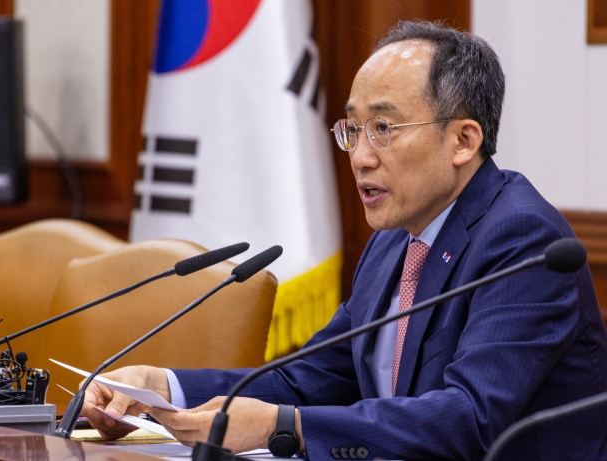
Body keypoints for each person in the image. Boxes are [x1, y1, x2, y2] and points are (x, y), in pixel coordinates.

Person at [81, 21, 607, 460]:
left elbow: (468, 420)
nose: (359, 156)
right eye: (352, 129)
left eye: (383, 128)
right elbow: (309, 380)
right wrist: (162, 388)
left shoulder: (524, 242)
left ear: (463, 141)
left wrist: (283, 427)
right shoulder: (396, 240)